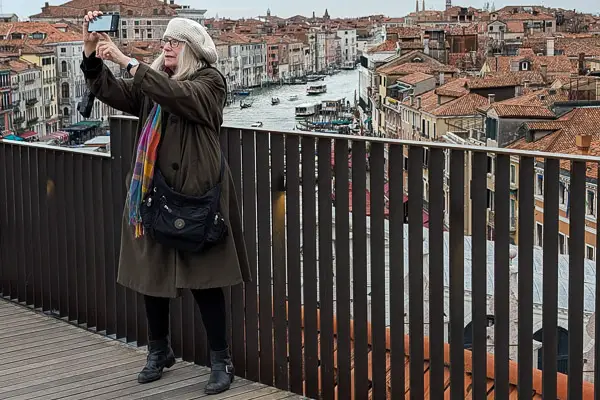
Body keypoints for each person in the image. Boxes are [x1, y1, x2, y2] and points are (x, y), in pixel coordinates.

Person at [80, 11, 251, 395]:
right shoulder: (152, 86)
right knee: (151, 278)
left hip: (199, 198)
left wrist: (128, 61)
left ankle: (221, 360)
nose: (165, 46)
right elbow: (110, 90)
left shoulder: (210, 83)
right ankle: (159, 351)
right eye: (165, 41)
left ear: (191, 49)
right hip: (154, 195)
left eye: (173, 42)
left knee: (207, 282)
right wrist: (93, 55)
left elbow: (180, 97)